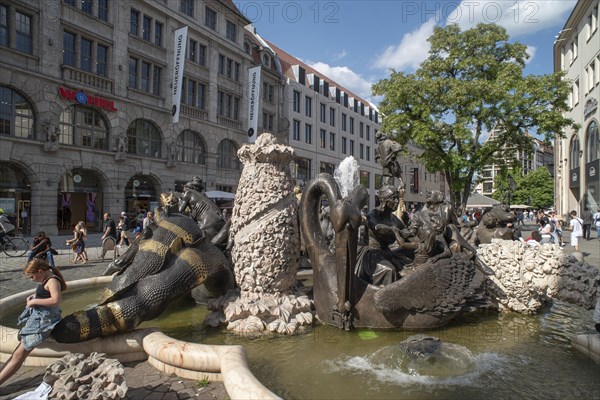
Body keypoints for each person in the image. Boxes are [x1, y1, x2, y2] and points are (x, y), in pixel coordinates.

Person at [0, 258, 67, 385]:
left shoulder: (52, 281)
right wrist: (35, 296)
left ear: (40, 271)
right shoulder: (48, 279)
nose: (32, 280)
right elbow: (47, 294)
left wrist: (34, 301)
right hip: (39, 320)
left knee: (17, 357)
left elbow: (55, 300)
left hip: (42, 324)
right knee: (16, 355)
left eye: (32, 277)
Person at [355, 185, 410, 286]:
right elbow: (376, 227)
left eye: (397, 198)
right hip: (371, 255)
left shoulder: (394, 219)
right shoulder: (374, 214)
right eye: (393, 198)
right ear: (384, 200)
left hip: (387, 253)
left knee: (410, 262)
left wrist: (408, 224)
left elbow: (407, 233)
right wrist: (393, 230)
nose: (397, 201)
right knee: (389, 270)